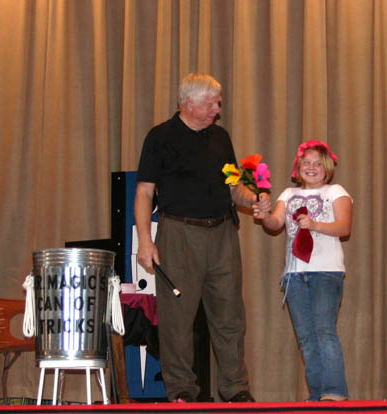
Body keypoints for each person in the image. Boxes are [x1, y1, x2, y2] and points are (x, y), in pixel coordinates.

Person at [134, 73, 270, 403]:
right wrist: (145, 242)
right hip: (179, 234)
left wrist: (253, 199)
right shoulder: (160, 137)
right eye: (211, 104)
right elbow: (144, 192)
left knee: (230, 317)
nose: (217, 109)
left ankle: (236, 389)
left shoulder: (221, 138)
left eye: (218, 103)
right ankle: (181, 391)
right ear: (188, 104)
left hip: (222, 234)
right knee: (176, 320)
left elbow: (233, 185)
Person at [259, 140, 352, 401]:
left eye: (317, 164)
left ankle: (335, 392)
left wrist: (314, 225)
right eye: (306, 163)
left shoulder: (335, 191)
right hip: (294, 275)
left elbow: (344, 227)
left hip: (326, 271)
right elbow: (275, 223)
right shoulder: (287, 195)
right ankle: (318, 393)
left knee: (324, 331)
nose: (311, 168)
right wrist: (263, 214)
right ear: (298, 167)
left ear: (327, 168)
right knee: (306, 337)